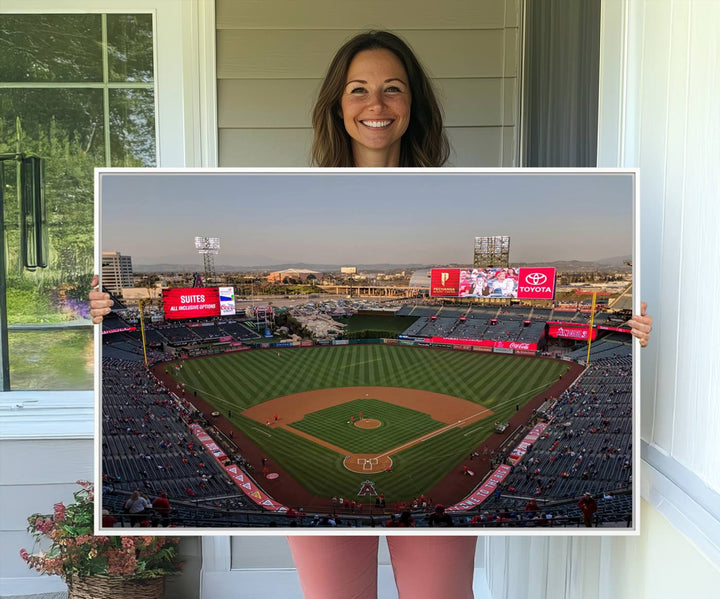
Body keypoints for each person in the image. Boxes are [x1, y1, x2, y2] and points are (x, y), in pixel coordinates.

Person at [88, 29, 655, 599]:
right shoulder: (298, 192)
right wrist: (101, 308)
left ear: (414, 104)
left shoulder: (457, 193)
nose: (376, 105)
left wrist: (630, 329)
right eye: (358, 89)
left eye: (393, 89)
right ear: (338, 104)